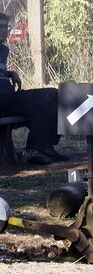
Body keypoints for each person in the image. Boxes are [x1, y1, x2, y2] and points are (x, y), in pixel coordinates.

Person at [0, 13, 64, 164]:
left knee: (55, 98)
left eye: (6, 27)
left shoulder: (3, 50)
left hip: (9, 96)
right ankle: (33, 149)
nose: (4, 31)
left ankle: (44, 146)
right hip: (2, 102)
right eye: (0, 27)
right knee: (48, 97)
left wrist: (11, 73)